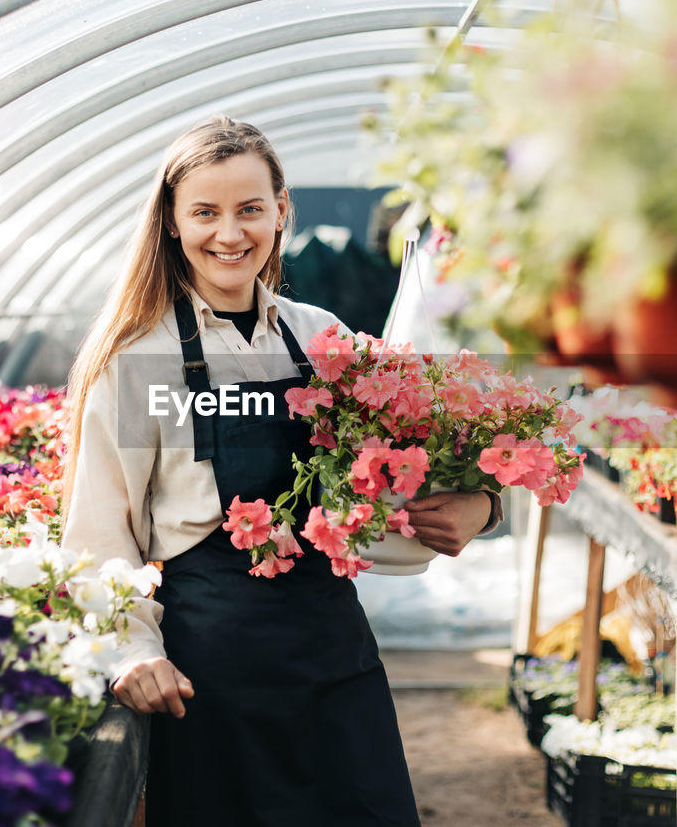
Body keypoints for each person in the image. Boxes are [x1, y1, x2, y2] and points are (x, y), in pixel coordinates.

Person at [61, 116, 501, 826]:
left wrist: (481, 504)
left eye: (249, 209)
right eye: (204, 211)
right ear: (171, 222)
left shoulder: (320, 334)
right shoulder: (137, 358)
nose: (229, 233)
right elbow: (98, 531)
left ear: (281, 211)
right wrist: (131, 651)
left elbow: (427, 446)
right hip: (213, 670)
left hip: (334, 651)